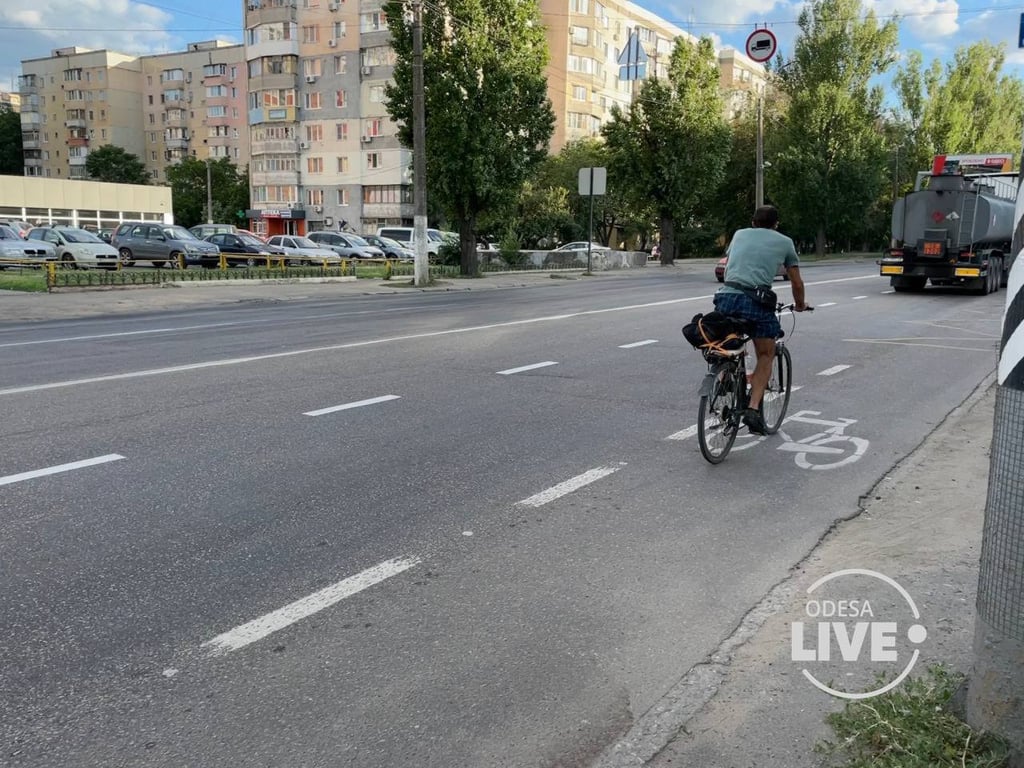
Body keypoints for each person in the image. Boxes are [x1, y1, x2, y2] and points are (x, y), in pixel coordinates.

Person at [714, 205, 808, 435]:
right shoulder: (785, 242)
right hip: (756, 301)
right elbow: (796, 282)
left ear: (753, 222)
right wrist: (800, 304)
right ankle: (753, 409)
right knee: (766, 354)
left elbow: (729, 267)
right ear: (776, 224)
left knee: (732, 337)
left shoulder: (739, 234)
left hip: (725, 296)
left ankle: (726, 373)